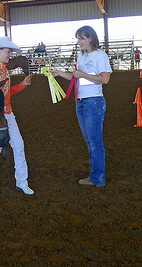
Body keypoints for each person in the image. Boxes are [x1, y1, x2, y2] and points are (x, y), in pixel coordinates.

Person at [52, 26, 111, 187]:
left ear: (90, 38)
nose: (78, 42)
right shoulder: (81, 56)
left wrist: (82, 74)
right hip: (82, 102)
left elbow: (105, 79)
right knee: (90, 141)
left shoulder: (100, 56)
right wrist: (60, 74)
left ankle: (97, 178)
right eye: (78, 39)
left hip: (93, 102)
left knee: (94, 142)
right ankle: (95, 176)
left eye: (81, 38)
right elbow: (77, 78)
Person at [0, 36, 35, 196]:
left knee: (16, 145)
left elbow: (5, 93)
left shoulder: (0, 69)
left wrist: (22, 85)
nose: (10, 55)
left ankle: (21, 181)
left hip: (5, 113)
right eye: (8, 52)